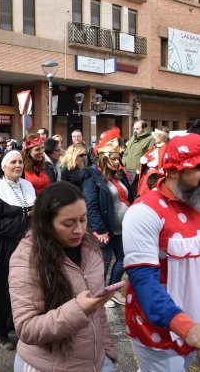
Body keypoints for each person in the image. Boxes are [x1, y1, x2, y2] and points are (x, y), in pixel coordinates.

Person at [9, 182, 117, 371]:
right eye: (68, 223)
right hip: (46, 365)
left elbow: (99, 312)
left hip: (96, 362)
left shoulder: (90, 247)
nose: (79, 230)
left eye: (83, 220)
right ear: (47, 222)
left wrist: (107, 351)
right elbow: (26, 328)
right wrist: (79, 309)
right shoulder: (27, 257)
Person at [122, 133, 200, 371]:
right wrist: (185, 326)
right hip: (158, 330)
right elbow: (143, 280)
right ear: (174, 171)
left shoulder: (196, 203)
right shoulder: (144, 212)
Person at [0, 150, 36, 350]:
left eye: (20, 162)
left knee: (24, 288)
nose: (18, 165)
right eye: (13, 162)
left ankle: (17, 324)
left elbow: (36, 213)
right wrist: (24, 224)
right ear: (4, 166)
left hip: (28, 245)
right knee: (1, 288)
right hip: (4, 246)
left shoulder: (28, 186)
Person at [82, 128, 134, 308]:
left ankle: (110, 291)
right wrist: (100, 230)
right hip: (105, 229)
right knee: (103, 263)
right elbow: (91, 207)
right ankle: (99, 294)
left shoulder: (119, 175)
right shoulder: (92, 177)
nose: (118, 161)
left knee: (123, 259)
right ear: (103, 158)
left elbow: (130, 197)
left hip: (122, 228)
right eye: (113, 158)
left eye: (118, 158)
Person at [137, 126, 170, 198]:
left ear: (161, 136)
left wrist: (148, 160)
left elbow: (155, 163)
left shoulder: (165, 148)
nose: (153, 137)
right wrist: (147, 160)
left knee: (151, 195)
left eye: (155, 135)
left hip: (155, 176)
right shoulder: (154, 147)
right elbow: (143, 159)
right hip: (147, 173)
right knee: (143, 195)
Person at [122, 120, 155, 189]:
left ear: (144, 129)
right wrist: (123, 164)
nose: (135, 131)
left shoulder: (150, 139)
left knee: (135, 192)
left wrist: (141, 169)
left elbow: (150, 157)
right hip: (127, 170)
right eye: (134, 129)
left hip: (138, 172)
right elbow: (126, 153)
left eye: (137, 129)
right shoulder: (132, 138)